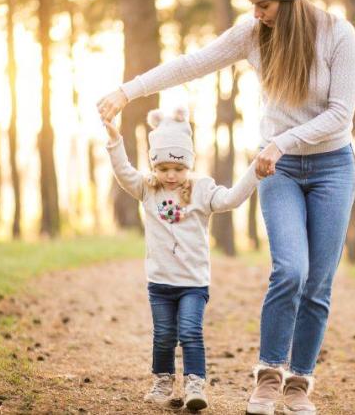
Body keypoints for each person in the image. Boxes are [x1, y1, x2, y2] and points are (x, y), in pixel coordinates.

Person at [98, 0, 355, 415]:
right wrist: (127, 91)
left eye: (264, 5)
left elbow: (341, 114)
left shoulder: (337, 34)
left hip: (331, 167)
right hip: (276, 168)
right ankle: (268, 375)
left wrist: (283, 141)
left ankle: (299, 383)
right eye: (252, 4)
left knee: (318, 283)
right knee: (290, 270)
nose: (256, 13)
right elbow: (191, 64)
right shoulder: (253, 34)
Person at [102, 106, 260, 411]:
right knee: (163, 336)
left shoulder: (202, 189)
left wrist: (254, 171)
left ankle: (194, 384)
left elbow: (231, 199)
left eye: (177, 167)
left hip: (193, 283)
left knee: (190, 332)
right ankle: (163, 381)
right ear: (154, 166)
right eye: (163, 168)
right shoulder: (147, 188)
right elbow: (123, 172)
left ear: (188, 162)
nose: (170, 175)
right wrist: (115, 141)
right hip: (160, 283)